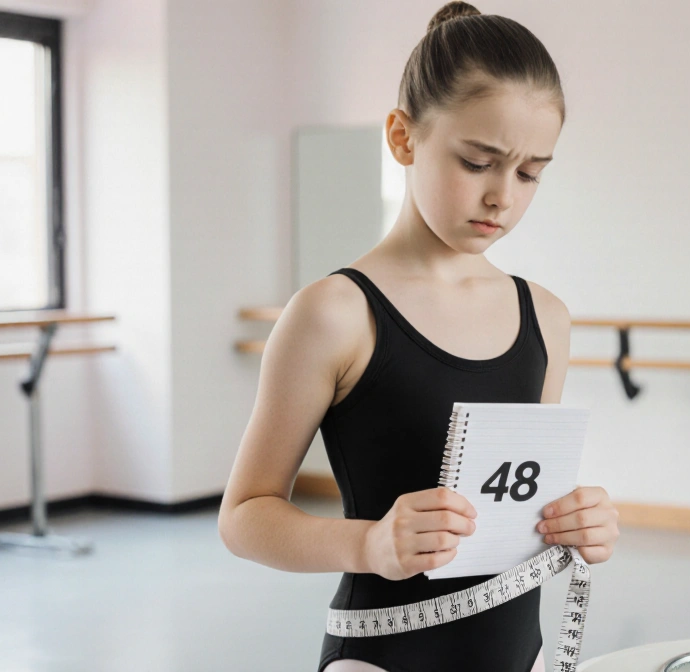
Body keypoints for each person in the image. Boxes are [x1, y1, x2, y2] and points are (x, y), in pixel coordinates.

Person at [216, 4, 620, 671]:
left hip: (525, 655)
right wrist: (370, 545)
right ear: (403, 138)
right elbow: (244, 517)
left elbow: (513, 505)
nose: (502, 198)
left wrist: (575, 523)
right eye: (477, 162)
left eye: (529, 173)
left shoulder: (546, 317)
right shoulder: (335, 313)